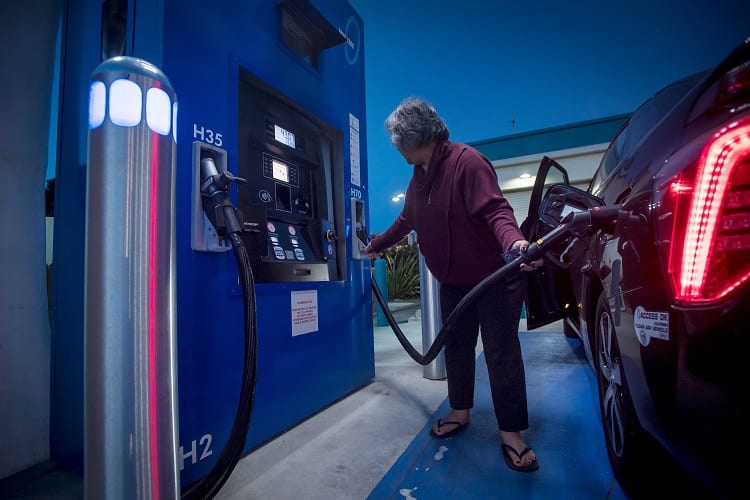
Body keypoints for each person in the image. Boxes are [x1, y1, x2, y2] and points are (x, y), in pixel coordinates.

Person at [364, 97, 543, 473]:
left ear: (414, 137)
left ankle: (511, 435)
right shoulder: (419, 175)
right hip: (454, 283)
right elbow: (406, 221)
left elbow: (497, 210)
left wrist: (515, 243)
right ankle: (460, 412)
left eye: (397, 140)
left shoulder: (467, 163)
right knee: (458, 350)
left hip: (493, 281)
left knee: (501, 353)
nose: (395, 147)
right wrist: (377, 245)